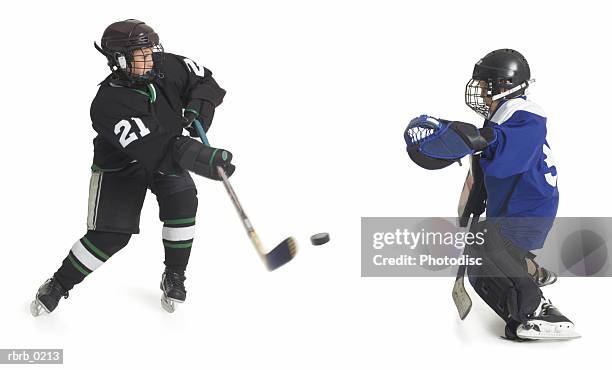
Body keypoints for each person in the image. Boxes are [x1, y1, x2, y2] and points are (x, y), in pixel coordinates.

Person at [31, 19, 235, 315]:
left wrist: (198, 108)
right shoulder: (107, 104)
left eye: (151, 50)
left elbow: (204, 81)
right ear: (119, 60)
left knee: (183, 202)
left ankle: (174, 275)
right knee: (111, 236)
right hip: (122, 167)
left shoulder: (163, 65)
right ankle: (58, 285)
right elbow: (157, 147)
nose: (150, 58)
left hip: (168, 154)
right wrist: (206, 159)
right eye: (141, 53)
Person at [406, 49, 578, 340]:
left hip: (531, 209)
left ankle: (538, 309)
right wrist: (471, 209)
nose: (482, 94)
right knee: (479, 259)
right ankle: (532, 270)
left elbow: (511, 148)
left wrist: (482, 138)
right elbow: (486, 171)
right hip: (512, 206)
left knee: (486, 242)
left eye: (486, 88)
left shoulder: (527, 114)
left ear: (504, 87)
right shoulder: (501, 119)